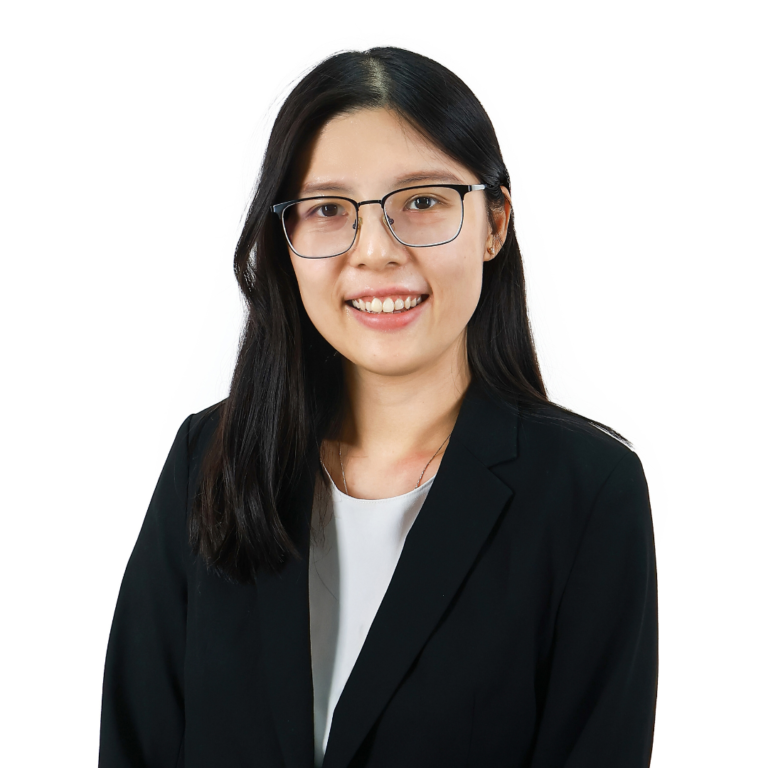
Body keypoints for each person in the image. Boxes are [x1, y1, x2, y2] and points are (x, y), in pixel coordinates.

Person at [99, 47, 658, 768]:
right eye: (328, 209)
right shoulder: (209, 457)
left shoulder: (588, 491)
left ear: (493, 224)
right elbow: (135, 745)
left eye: (422, 202)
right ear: (285, 238)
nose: (375, 252)